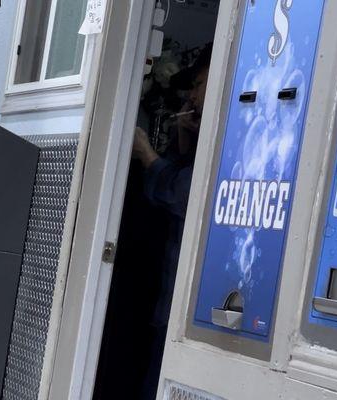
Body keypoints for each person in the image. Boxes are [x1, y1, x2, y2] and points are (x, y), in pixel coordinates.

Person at [132, 43, 212, 399]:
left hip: (194, 314)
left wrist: (147, 154)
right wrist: (185, 138)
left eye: (197, 84)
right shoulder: (203, 134)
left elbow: (184, 197)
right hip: (171, 307)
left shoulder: (232, 134)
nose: (191, 96)